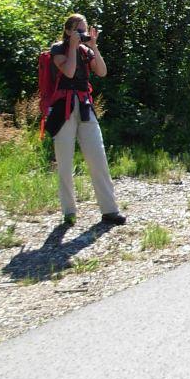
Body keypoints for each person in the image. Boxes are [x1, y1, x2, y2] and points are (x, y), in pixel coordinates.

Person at [47, 14, 125, 228]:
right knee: (65, 163)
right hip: (63, 110)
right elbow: (69, 72)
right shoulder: (58, 49)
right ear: (68, 31)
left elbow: (102, 71)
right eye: (78, 30)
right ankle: (69, 212)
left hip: (84, 107)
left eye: (84, 30)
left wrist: (94, 47)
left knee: (98, 158)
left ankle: (110, 210)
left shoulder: (86, 51)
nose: (82, 34)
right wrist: (72, 47)